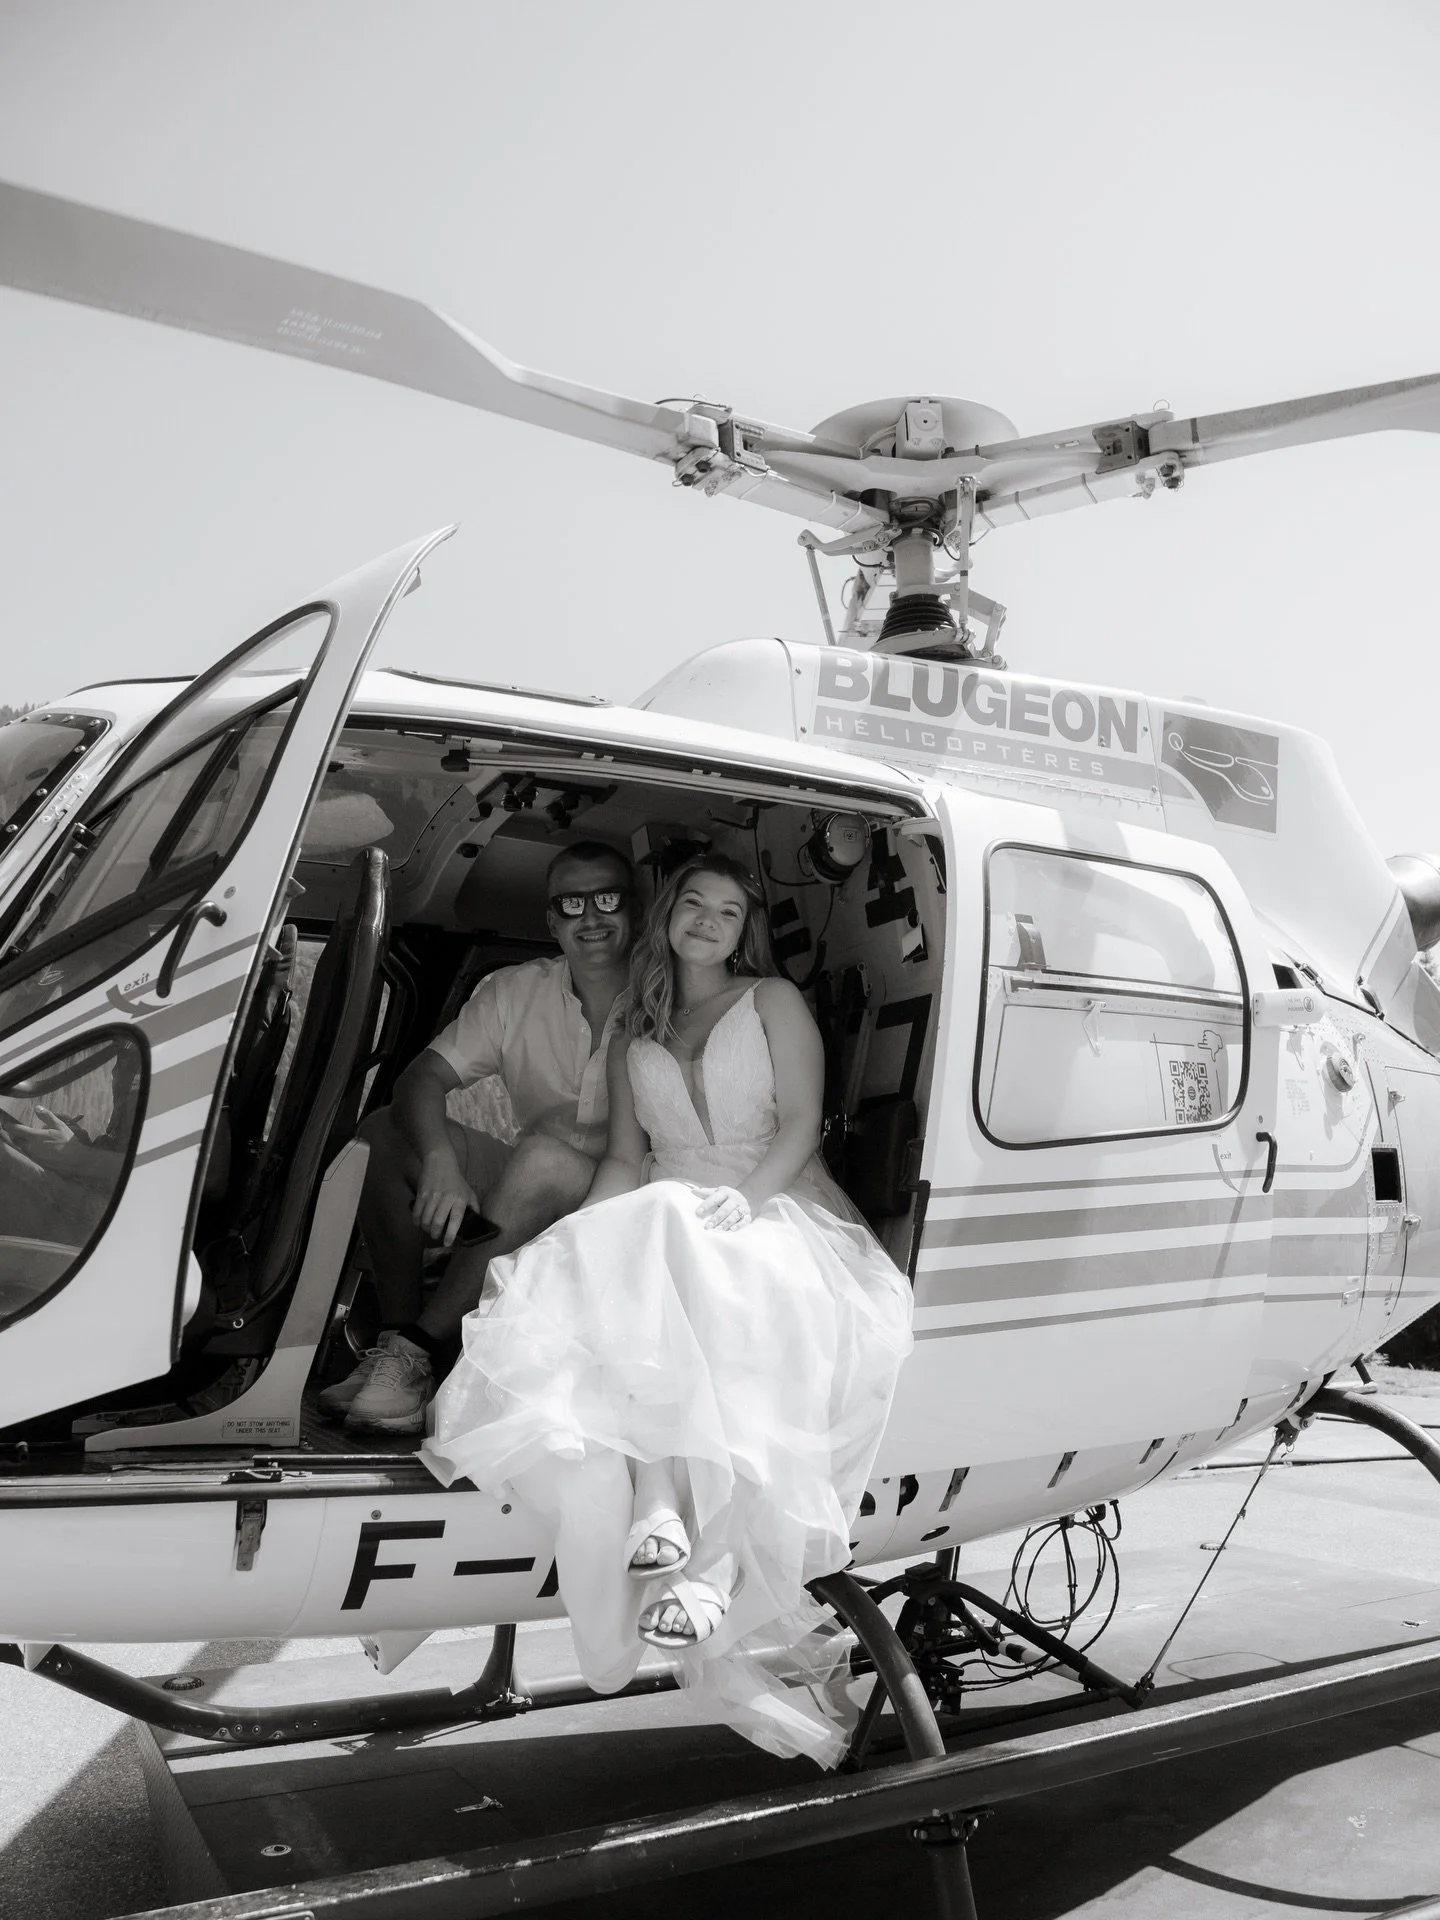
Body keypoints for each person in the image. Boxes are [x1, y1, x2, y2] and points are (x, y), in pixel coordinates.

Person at [422, 854, 914, 1767]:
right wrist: (585, 1237)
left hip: (772, 1202)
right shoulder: (633, 1026)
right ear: (670, 916)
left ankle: (707, 1556)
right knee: (621, 1246)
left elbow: (802, 1123)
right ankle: (657, 1504)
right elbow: (624, 1155)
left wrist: (748, 1203)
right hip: (666, 1198)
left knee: (691, 1255)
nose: (709, 921)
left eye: (729, 911)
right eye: (695, 903)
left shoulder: (771, 1001)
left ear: (744, 931)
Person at [324, 841, 637, 1434]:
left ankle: (418, 1349)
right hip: (528, 1180)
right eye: (571, 904)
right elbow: (422, 1078)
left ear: (634, 909)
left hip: (631, 1192)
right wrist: (440, 1161)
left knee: (542, 1158)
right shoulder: (515, 992)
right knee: (383, 1134)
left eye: (608, 899)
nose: (591, 917)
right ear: (551, 920)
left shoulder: (665, 994)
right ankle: (396, 1344)